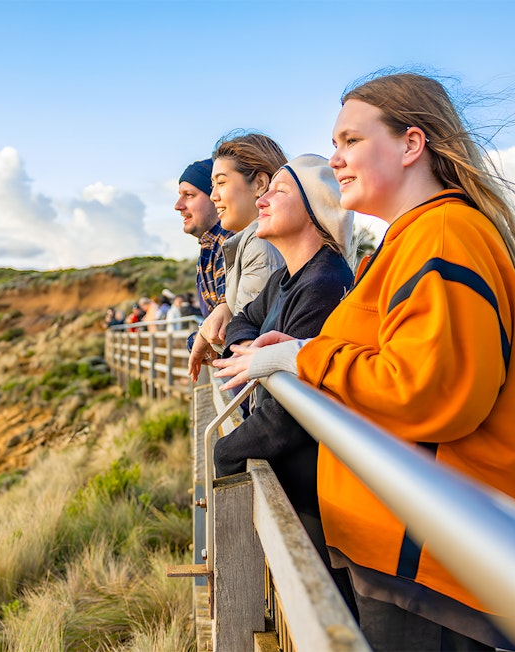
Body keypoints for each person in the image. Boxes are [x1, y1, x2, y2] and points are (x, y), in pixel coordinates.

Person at [214, 72, 515, 651]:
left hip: (441, 565)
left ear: (410, 144)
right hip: (410, 555)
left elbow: (428, 391)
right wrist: (298, 353)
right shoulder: (408, 241)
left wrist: (304, 358)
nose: (336, 158)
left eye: (351, 140)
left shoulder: (446, 235)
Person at [210, 153, 357, 615]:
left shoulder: (325, 284)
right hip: (296, 481)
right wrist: (254, 352)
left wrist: (225, 451)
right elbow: (241, 321)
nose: (263, 197)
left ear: (315, 210)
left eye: (279, 190)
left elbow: (286, 419)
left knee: (324, 606)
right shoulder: (285, 279)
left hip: (319, 495)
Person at [188, 132, 286, 382]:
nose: (213, 196)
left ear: (260, 184)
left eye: (221, 183)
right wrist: (223, 308)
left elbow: (248, 344)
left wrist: (202, 336)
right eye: (212, 186)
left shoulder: (261, 244)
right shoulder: (248, 242)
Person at [174, 158, 233, 358]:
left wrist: (195, 340)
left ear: (215, 196)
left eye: (189, 195)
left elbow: (222, 332)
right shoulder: (209, 246)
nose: (178, 205)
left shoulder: (229, 244)